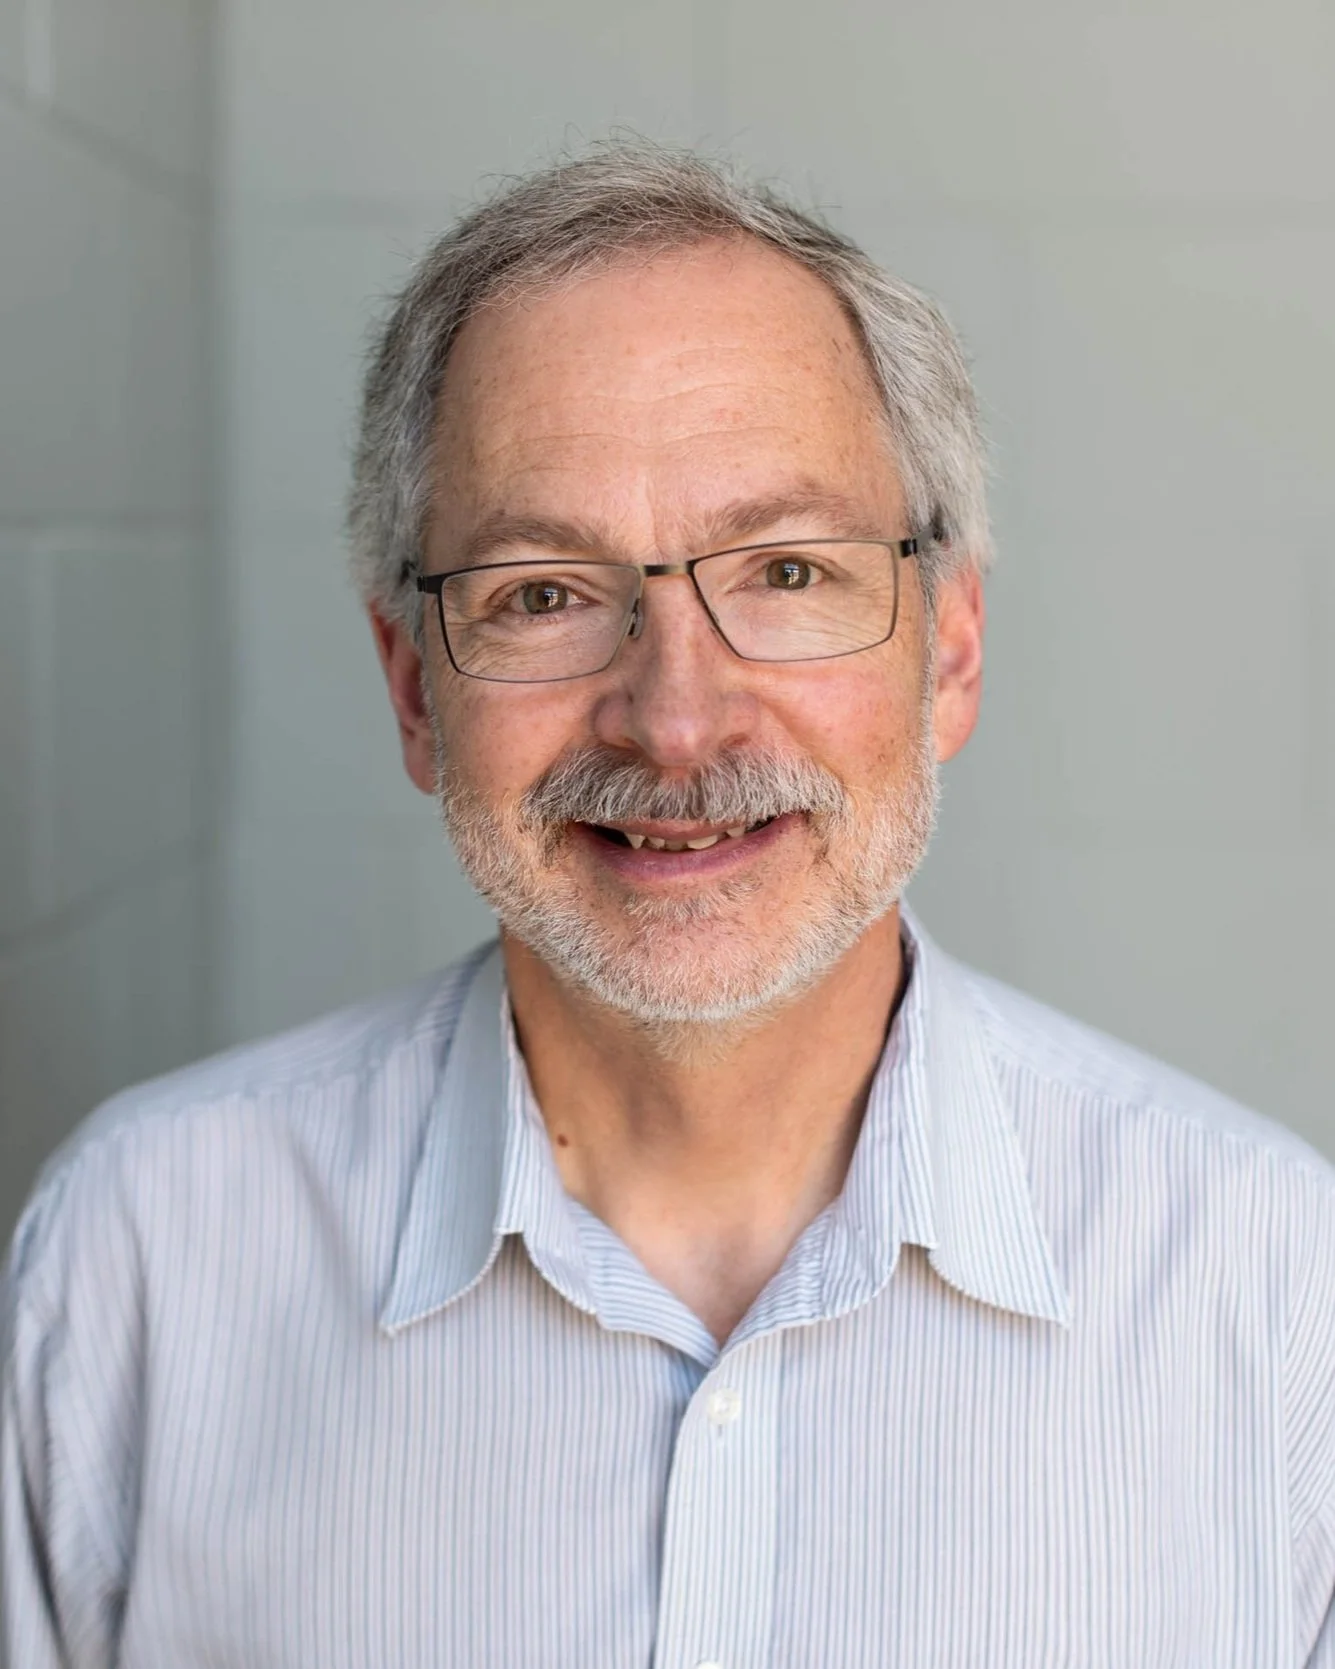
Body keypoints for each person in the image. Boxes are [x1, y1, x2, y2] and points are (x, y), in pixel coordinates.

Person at [4, 142, 1334, 1669]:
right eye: (543, 595)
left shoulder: (1271, 1293)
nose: (677, 720)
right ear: (412, 693)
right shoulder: (138, 1263)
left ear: (949, 651)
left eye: (783, 570)